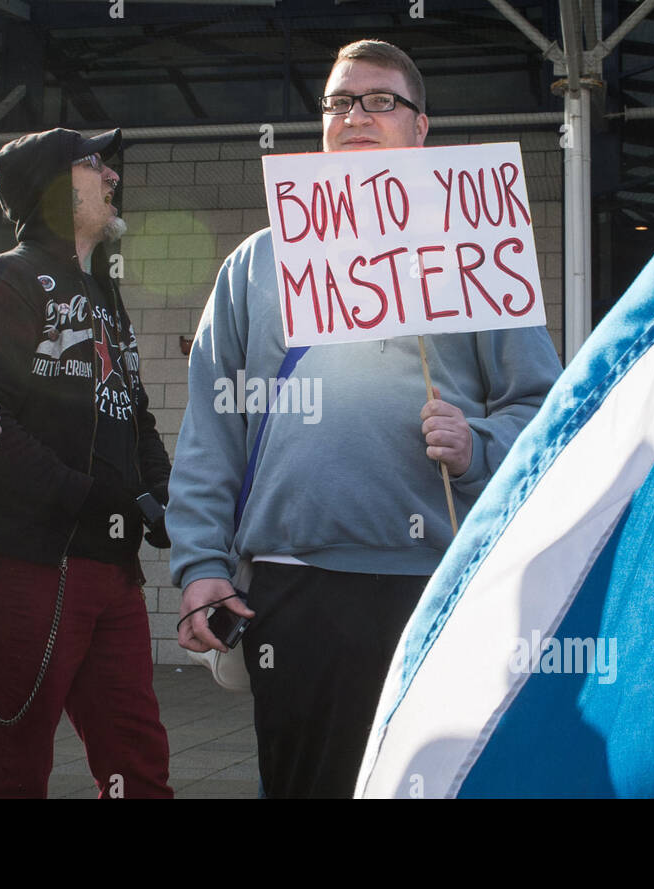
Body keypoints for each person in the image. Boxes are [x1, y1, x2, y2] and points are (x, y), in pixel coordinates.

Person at [167, 39, 564, 798]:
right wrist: (201, 565)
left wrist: (477, 445)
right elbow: (213, 428)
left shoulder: (474, 248)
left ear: (421, 130)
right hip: (291, 590)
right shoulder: (255, 264)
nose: (357, 115)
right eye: (341, 101)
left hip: (434, 582)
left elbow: (542, 411)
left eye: (381, 100)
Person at [0, 128, 174, 798]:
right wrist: (98, 498)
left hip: (113, 570)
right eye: (93, 164)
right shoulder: (3, 279)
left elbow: (134, 413)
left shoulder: (106, 294)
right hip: (31, 565)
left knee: (139, 763)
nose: (110, 177)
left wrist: (162, 492)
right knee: (17, 768)